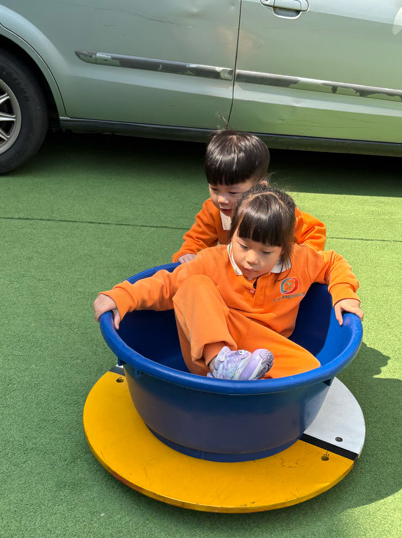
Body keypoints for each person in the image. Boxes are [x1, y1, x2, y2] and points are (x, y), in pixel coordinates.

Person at [94, 185, 362, 381]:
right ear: (232, 234)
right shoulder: (212, 260)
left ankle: (244, 387)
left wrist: (344, 294)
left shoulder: (300, 260)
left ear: (285, 248)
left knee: (310, 369)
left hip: (263, 349)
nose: (251, 259)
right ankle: (222, 365)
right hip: (210, 349)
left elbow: (333, 262)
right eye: (243, 246)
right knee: (194, 285)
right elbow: (167, 284)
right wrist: (123, 296)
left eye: (266, 252)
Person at [172, 130, 326, 264]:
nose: (222, 200)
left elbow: (313, 231)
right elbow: (197, 239)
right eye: (214, 189)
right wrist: (189, 253)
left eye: (233, 192)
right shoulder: (213, 211)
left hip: (274, 274)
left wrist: (296, 259)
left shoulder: (277, 210)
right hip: (240, 272)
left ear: (259, 188)